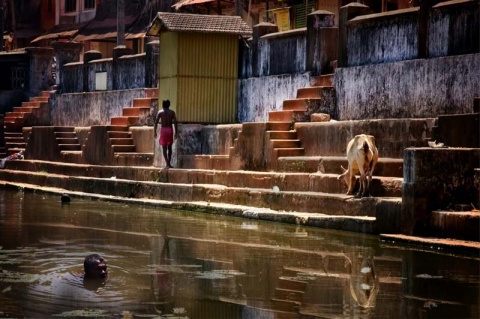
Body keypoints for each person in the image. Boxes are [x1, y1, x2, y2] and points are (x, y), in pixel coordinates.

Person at [154, 100, 178, 168]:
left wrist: (154, 132)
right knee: (169, 147)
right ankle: (169, 164)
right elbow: (175, 123)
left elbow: (156, 122)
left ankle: (167, 163)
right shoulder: (172, 112)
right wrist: (176, 132)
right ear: (169, 105)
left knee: (164, 147)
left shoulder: (160, 112)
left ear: (162, 105)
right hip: (170, 129)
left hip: (163, 130)